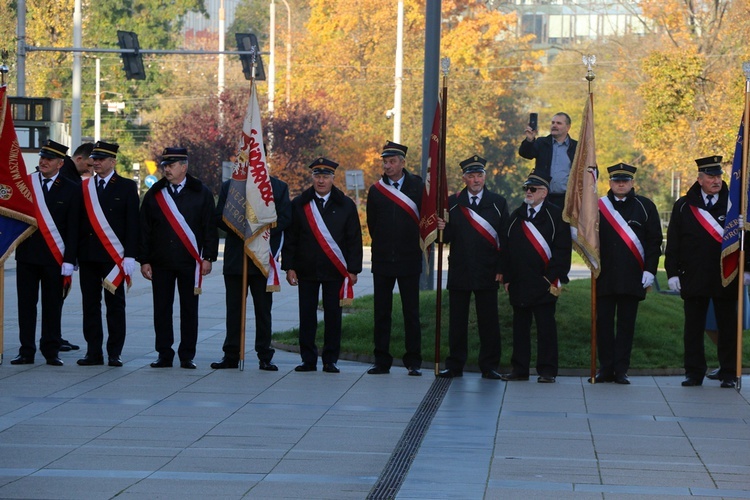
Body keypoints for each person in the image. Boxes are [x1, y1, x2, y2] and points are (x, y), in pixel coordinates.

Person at [665, 156, 744, 388]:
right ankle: (694, 372)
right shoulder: (683, 205)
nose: (716, 180)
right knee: (693, 328)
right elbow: (674, 243)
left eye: (718, 176)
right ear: (699, 179)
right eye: (710, 176)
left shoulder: (735, 204)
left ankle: (729, 373)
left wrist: (746, 268)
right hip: (694, 275)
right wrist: (672, 273)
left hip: (725, 275)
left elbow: (745, 241)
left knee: (728, 327)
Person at [139, 147, 218, 369]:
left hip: (189, 262)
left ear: (184, 166)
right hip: (161, 261)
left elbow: (209, 227)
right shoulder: (155, 193)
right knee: (162, 310)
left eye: (171, 165)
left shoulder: (200, 192)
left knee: (189, 310)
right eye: (165, 165)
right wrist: (144, 260)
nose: (166, 169)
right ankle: (164, 353)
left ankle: (186, 355)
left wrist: (208, 257)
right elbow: (144, 228)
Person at [282, 157, 363, 373]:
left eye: (325, 176)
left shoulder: (345, 204)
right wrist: (289, 266)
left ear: (332, 178)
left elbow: (354, 238)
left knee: (333, 316)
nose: (321, 180)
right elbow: (291, 238)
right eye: (317, 176)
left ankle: (330, 359)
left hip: (334, 271)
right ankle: (308, 359)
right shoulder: (300, 204)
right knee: (306, 315)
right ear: (312, 178)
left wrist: (353, 270)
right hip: (306, 269)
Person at [10, 140, 81, 366]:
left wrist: (70, 259)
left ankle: (51, 350)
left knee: (52, 306)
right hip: (28, 256)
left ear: (60, 163)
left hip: (55, 258)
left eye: (49, 159)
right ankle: (26, 350)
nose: (43, 162)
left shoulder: (71, 188)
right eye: (42, 157)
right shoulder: (26, 185)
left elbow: (73, 228)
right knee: (26, 306)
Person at [436, 155, 507, 379]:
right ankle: (455, 364)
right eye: (471, 176)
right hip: (460, 268)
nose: (476, 180)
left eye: (480, 175)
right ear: (464, 178)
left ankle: (490, 366)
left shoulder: (498, 202)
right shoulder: (452, 202)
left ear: (485, 177)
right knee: (457, 321)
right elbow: (445, 238)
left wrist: (502, 267)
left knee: (489, 321)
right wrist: (440, 228)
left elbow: (505, 238)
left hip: (488, 269)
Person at [211, 175, 292, 370]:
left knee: (263, 311)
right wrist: (240, 226)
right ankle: (231, 354)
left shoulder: (278, 187)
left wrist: (258, 230)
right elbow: (219, 217)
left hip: (262, 258)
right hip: (236, 259)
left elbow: (285, 218)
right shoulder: (230, 186)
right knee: (234, 310)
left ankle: (264, 355)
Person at [593, 163, 662, 384]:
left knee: (626, 325)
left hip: (632, 276)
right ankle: (605, 368)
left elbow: (654, 242)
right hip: (604, 276)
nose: (620, 184)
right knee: (603, 324)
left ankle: (621, 369)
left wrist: (650, 270)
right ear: (610, 183)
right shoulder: (597, 206)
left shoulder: (645, 206)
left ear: (632, 183)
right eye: (616, 180)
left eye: (625, 180)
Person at [500, 171, 571, 383]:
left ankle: (547, 370)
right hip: (520, 282)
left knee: (545, 328)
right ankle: (519, 369)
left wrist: (549, 278)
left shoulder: (556, 216)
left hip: (544, 282)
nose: (528, 192)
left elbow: (562, 250)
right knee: (520, 328)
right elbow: (507, 248)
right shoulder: (516, 216)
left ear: (544, 193)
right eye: (526, 189)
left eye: (533, 189)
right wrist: (508, 278)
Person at [77, 141, 139, 367]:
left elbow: (133, 224)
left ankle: (114, 352)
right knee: (90, 306)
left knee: (115, 307)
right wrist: (72, 257)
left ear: (113, 162)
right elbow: (77, 224)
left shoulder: (126, 187)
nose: (96, 163)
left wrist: (131, 255)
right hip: (88, 256)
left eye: (102, 159)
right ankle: (93, 352)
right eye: (95, 158)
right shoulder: (84, 187)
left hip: (114, 258)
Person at [365, 141, 423, 376]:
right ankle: (381, 360)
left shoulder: (418, 187)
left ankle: (413, 361)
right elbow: (372, 223)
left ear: (402, 163)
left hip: (409, 258)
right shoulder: (376, 190)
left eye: (391, 162)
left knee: (411, 312)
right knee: (382, 312)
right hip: (382, 259)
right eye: (385, 162)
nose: (387, 166)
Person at [518, 112, 577, 209]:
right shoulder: (542, 143)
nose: (554, 125)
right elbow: (526, 154)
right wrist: (529, 140)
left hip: (567, 200)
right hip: (543, 198)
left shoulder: (576, 147)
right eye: (553, 122)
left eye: (559, 123)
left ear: (568, 127)